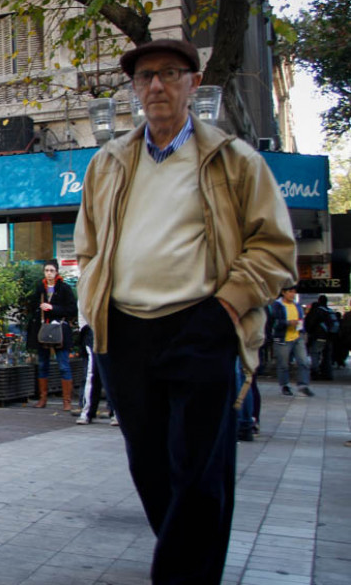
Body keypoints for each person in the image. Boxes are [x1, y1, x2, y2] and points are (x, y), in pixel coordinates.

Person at [74, 39, 297, 584]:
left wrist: (225, 309)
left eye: (170, 74)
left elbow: (274, 248)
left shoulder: (233, 161)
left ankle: (180, 577)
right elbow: (89, 247)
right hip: (124, 333)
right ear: (134, 89)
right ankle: (186, 564)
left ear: (193, 85)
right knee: (149, 468)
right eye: (146, 77)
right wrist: (93, 308)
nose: (156, 86)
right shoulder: (108, 163)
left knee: (199, 471)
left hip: (201, 322)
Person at [30, 260, 76, 410]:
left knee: (63, 365)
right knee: (43, 364)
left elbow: (71, 310)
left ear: (56, 272)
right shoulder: (39, 288)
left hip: (59, 330)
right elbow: (31, 306)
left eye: (51, 270)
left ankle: (67, 401)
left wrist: (53, 307)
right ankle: (43, 398)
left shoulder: (64, 288)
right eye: (46, 270)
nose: (49, 273)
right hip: (43, 330)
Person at [270, 286, 314, 397]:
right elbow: (273, 322)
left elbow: (301, 320)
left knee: (303, 361)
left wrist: (302, 331)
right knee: (283, 364)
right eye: (290, 292)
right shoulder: (277, 305)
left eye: (294, 292)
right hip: (282, 338)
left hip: (297, 337)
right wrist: (288, 323)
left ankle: (303, 385)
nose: (292, 294)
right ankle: (284, 385)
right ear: (283, 293)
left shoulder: (297, 305)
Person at [304, 294, 338, 380]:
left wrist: (309, 332)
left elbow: (311, 323)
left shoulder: (317, 311)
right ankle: (327, 374)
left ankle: (315, 372)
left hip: (319, 336)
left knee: (315, 353)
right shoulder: (330, 311)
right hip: (329, 337)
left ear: (319, 301)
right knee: (327, 356)